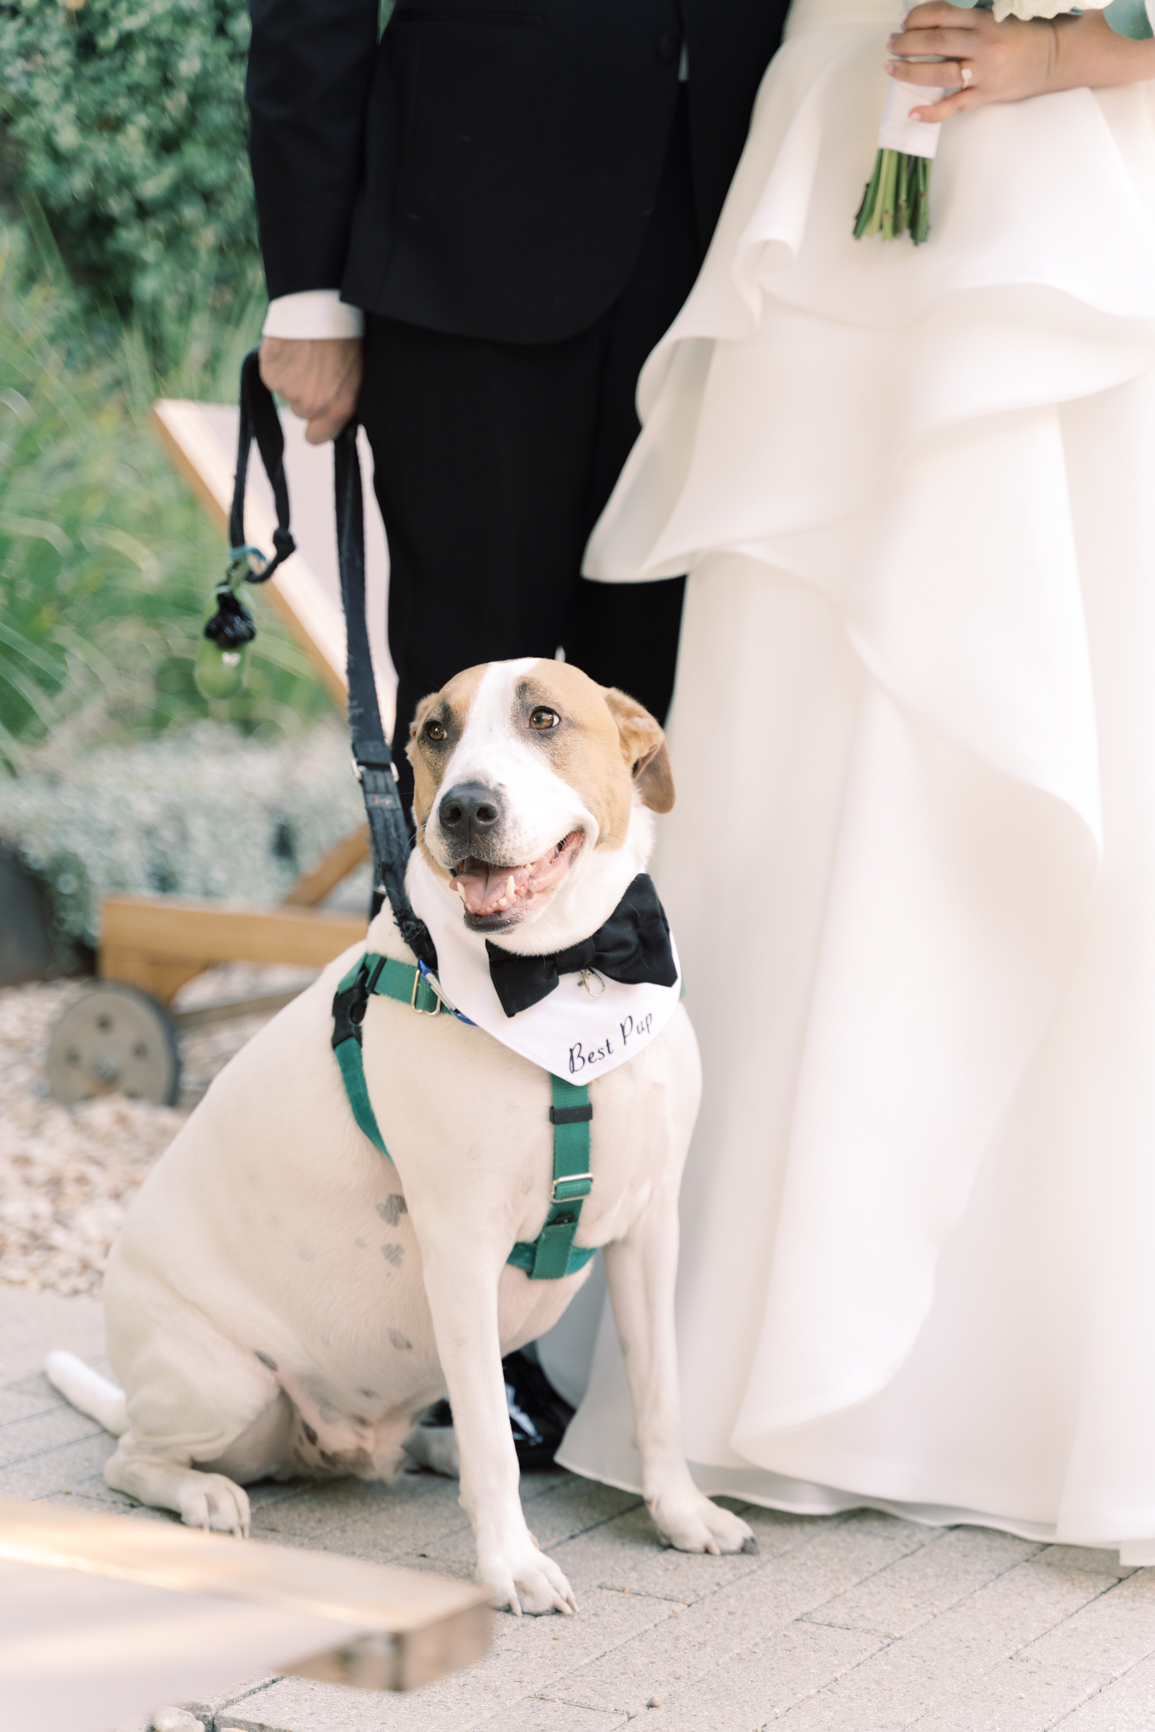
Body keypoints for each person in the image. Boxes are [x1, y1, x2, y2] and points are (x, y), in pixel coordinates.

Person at [558, 0, 1155, 1561]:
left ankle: (1035, 1380)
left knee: (1044, 678)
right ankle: (757, 1348)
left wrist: (1088, 45)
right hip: (842, 179)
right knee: (800, 744)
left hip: (1076, 201)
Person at [243, 0, 788, 1464]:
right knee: (477, 798)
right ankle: (426, 1338)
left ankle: (630, 1337)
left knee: (663, 788)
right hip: (476, 245)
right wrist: (309, 285)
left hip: (751, 250)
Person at [246, 0, 789, 803]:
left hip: (754, 227)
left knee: (691, 716)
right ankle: (446, 932)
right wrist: (310, 291)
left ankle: (653, 934)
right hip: (471, 227)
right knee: (471, 701)